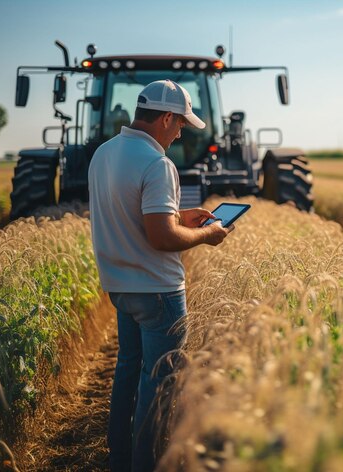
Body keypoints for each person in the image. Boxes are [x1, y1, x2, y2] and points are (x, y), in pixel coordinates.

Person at [88, 79, 233, 472]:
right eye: (182, 122)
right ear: (166, 117)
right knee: (159, 384)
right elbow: (161, 236)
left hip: (120, 287)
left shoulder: (104, 154)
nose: (182, 130)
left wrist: (180, 216)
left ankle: (119, 458)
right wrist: (208, 233)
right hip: (158, 292)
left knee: (127, 370)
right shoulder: (157, 163)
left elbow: (134, 215)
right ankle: (146, 465)